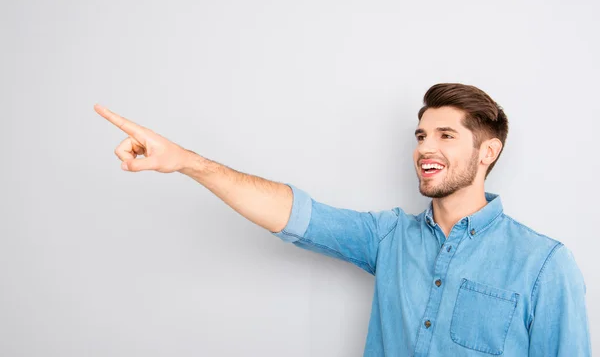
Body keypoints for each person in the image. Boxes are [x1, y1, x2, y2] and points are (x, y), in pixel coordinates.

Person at [94, 83, 592, 356]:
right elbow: (294, 213)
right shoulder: (389, 237)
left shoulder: (544, 263)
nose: (426, 149)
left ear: (488, 151)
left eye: (445, 136)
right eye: (420, 136)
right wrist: (184, 160)